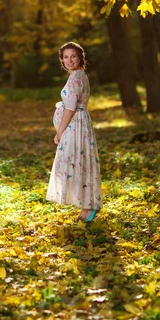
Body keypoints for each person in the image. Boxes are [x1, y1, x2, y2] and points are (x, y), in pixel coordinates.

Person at [46, 41, 103, 221]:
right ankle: (87, 207)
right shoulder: (79, 76)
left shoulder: (76, 77)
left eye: (73, 56)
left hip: (75, 124)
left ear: (80, 58)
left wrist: (59, 132)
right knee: (81, 161)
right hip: (79, 123)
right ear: (61, 60)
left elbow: (70, 108)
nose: (69, 60)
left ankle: (89, 207)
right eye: (66, 57)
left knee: (74, 162)